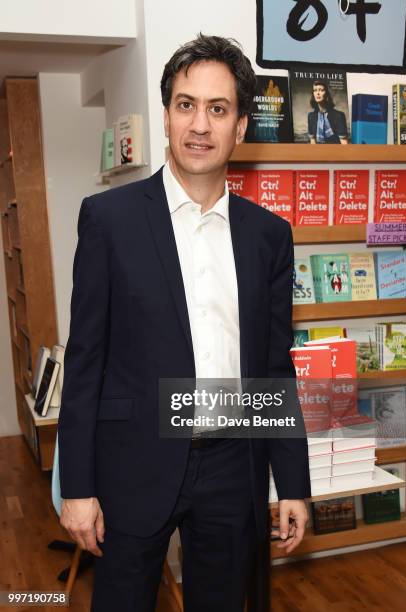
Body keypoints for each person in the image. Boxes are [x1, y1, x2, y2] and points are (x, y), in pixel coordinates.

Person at [58, 33, 311, 612]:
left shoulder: (269, 235)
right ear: (168, 115)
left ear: (241, 127)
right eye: (186, 105)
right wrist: (78, 487)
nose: (200, 124)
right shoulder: (109, 220)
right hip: (131, 461)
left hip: (232, 463)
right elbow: (86, 360)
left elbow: (274, 367)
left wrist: (292, 482)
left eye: (218, 109)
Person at [308, 80, 348, 144]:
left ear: (326, 93)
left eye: (321, 90)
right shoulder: (311, 116)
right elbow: (313, 141)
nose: (318, 93)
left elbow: (344, 144)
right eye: (315, 90)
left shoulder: (338, 116)